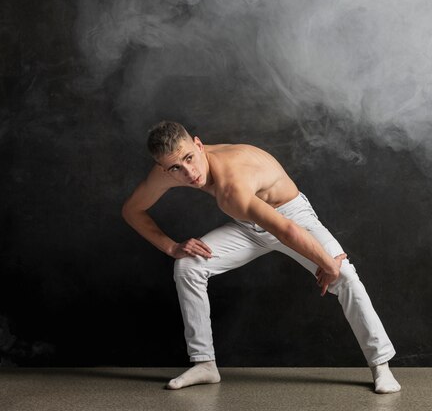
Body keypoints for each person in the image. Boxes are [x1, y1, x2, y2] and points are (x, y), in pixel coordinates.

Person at [121, 121, 401, 394]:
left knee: (346, 276)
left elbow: (286, 229)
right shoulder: (168, 172)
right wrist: (170, 247)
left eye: (190, 158)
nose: (189, 172)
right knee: (187, 266)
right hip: (248, 225)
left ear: (198, 143)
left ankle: (381, 365)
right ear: (163, 168)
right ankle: (204, 364)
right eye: (176, 168)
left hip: (290, 216)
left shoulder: (231, 185)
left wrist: (330, 265)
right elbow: (132, 210)